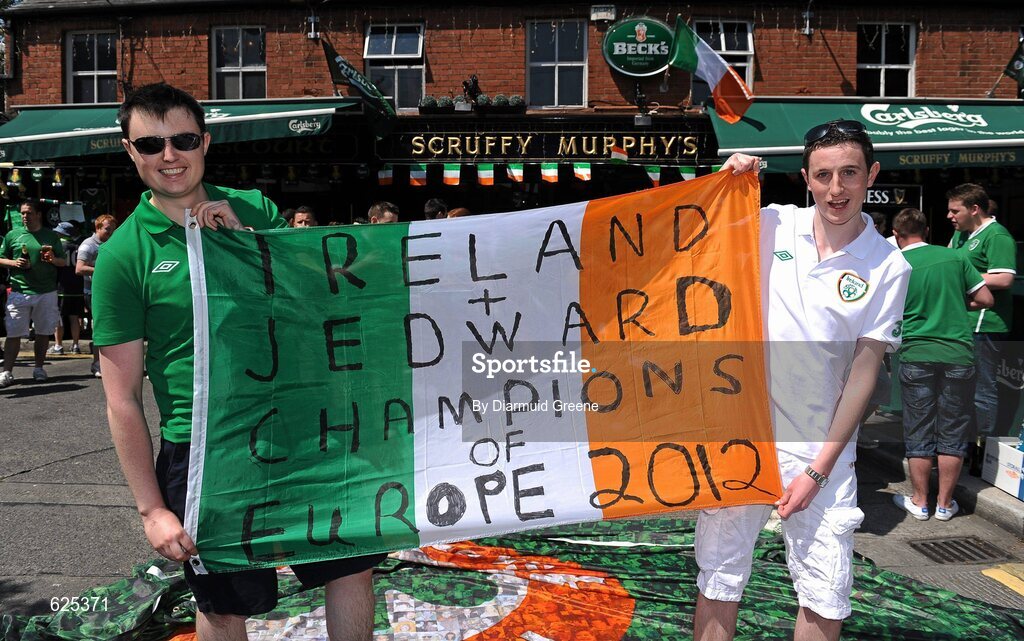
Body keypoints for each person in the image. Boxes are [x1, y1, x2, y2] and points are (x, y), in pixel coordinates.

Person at [91, 82, 383, 641]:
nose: (169, 156)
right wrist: (152, 510)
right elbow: (120, 397)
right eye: (151, 145)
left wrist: (251, 243)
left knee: (351, 571)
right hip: (205, 454)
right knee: (225, 607)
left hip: (303, 432)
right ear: (131, 152)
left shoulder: (258, 209)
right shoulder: (124, 256)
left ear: (206, 140)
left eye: (182, 139)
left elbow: (320, 309)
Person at [696, 120, 911, 641]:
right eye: (823, 175)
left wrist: (817, 470)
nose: (836, 189)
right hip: (742, 432)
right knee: (719, 576)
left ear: (871, 175)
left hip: (822, 450)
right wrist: (731, 177)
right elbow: (698, 230)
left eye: (849, 173)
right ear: (806, 179)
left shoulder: (888, 265)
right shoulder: (771, 223)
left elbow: (863, 377)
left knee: (825, 590)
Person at [890, 207, 992, 522]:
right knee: (953, 429)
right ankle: (945, 504)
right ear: (928, 231)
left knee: (918, 428)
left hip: (917, 353)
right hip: (957, 354)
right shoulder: (956, 258)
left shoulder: (895, 263)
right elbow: (986, 299)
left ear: (896, 235)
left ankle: (920, 502)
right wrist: (955, 303)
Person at [946, 184, 1015, 468]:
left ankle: (980, 454)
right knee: (958, 391)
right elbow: (948, 262)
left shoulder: (997, 236)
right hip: (960, 323)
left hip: (985, 325)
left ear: (974, 209)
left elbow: (1004, 278)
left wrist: (967, 277)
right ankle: (957, 448)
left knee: (982, 391)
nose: (949, 216)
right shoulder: (960, 235)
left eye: (955, 210)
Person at [0, 200, 68, 386]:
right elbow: (1, 258)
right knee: (13, 333)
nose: (24, 216)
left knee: (42, 332)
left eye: (28, 213)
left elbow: (63, 262)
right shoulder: (12, 235)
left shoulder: (50, 236)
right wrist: (14, 263)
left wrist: (53, 259)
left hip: (46, 291)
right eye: (22, 213)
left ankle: (39, 368)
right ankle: (7, 371)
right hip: (19, 290)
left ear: (38, 214)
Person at [76, 214, 118, 377]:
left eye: (113, 230)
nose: (111, 233)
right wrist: (102, 271)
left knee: (111, 328)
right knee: (100, 329)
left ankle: (109, 364)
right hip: (93, 293)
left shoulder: (112, 243)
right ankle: (97, 364)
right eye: (108, 229)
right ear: (98, 228)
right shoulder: (88, 245)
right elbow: (79, 269)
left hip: (110, 292)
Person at [51, 221, 85, 355]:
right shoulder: (78, 246)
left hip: (61, 286)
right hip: (77, 286)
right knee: (74, 317)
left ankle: (58, 345)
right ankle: (75, 345)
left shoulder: (58, 246)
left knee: (58, 317)